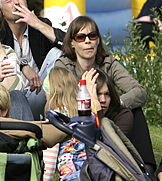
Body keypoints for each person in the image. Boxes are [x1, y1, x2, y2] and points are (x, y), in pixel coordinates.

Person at [54, 15, 155, 170]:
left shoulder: (108, 62)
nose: (88, 41)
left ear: (98, 40)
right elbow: (66, 101)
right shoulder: (63, 65)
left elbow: (139, 92)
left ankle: (146, 169)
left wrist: (115, 102)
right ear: (72, 43)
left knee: (136, 112)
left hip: (106, 114)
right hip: (78, 118)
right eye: (81, 37)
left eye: (92, 36)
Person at [0, 0, 65, 120]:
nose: (16, 3)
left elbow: (70, 45)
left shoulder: (40, 25)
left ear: (26, 1)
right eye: (9, 0)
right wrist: (21, 63)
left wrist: (38, 24)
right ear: (0, 9)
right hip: (8, 99)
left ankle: (57, 117)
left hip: (39, 95)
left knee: (57, 53)